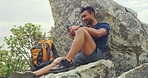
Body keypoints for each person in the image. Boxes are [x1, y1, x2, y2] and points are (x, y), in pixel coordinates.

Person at [13, 6, 110, 78]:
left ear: (92, 14)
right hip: (83, 56)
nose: (83, 19)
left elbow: (98, 34)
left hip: (96, 55)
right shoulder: (85, 29)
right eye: (82, 17)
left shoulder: (103, 25)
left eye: (85, 16)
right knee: (58, 60)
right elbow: (81, 44)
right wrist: (74, 36)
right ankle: (33, 74)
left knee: (81, 31)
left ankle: (67, 61)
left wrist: (79, 28)